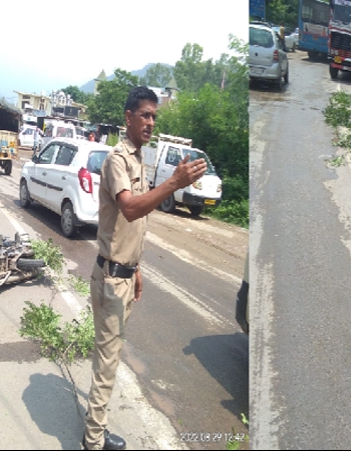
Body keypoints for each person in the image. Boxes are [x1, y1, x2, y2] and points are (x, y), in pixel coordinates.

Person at [82, 86, 207, 451]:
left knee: (111, 357)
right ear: (128, 118)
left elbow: (132, 226)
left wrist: (136, 267)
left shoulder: (139, 158)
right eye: (145, 115)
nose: (151, 122)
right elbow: (132, 209)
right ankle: (92, 442)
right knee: (107, 366)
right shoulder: (117, 160)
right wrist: (174, 183)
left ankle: (97, 429)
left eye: (154, 116)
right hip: (109, 280)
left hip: (123, 274)